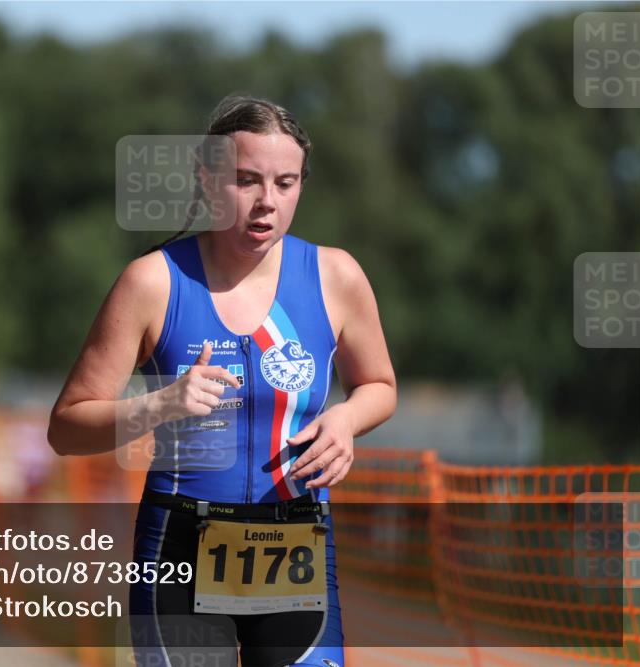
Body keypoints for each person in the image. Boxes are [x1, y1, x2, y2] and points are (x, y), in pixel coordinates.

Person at [48, 94, 396, 667]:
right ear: (208, 181)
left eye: (285, 183)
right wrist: (159, 405)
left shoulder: (336, 276)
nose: (266, 202)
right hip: (179, 550)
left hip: (296, 545)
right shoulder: (152, 282)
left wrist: (348, 418)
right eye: (246, 180)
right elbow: (66, 427)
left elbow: (379, 385)